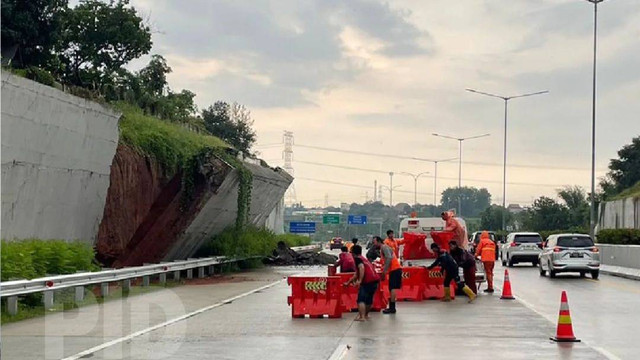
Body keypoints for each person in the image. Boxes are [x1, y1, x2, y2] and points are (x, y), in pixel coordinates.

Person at [344, 245, 380, 321]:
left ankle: (362, 317)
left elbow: (361, 268)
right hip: (375, 280)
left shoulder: (357, 259)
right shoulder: (364, 259)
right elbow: (356, 273)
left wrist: (360, 280)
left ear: (353, 253)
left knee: (361, 300)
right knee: (369, 299)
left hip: (367, 281)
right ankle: (366, 315)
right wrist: (348, 282)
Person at [374, 236, 402, 314]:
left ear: (379, 241)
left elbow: (389, 258)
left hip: (395, 269)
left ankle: (392, 308)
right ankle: (392, 307)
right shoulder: (383, 248)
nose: (374, 243)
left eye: (375, 241)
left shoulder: (384, 247)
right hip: (394, 270)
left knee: (392, 288)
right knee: (391, 288)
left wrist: (384, 271)